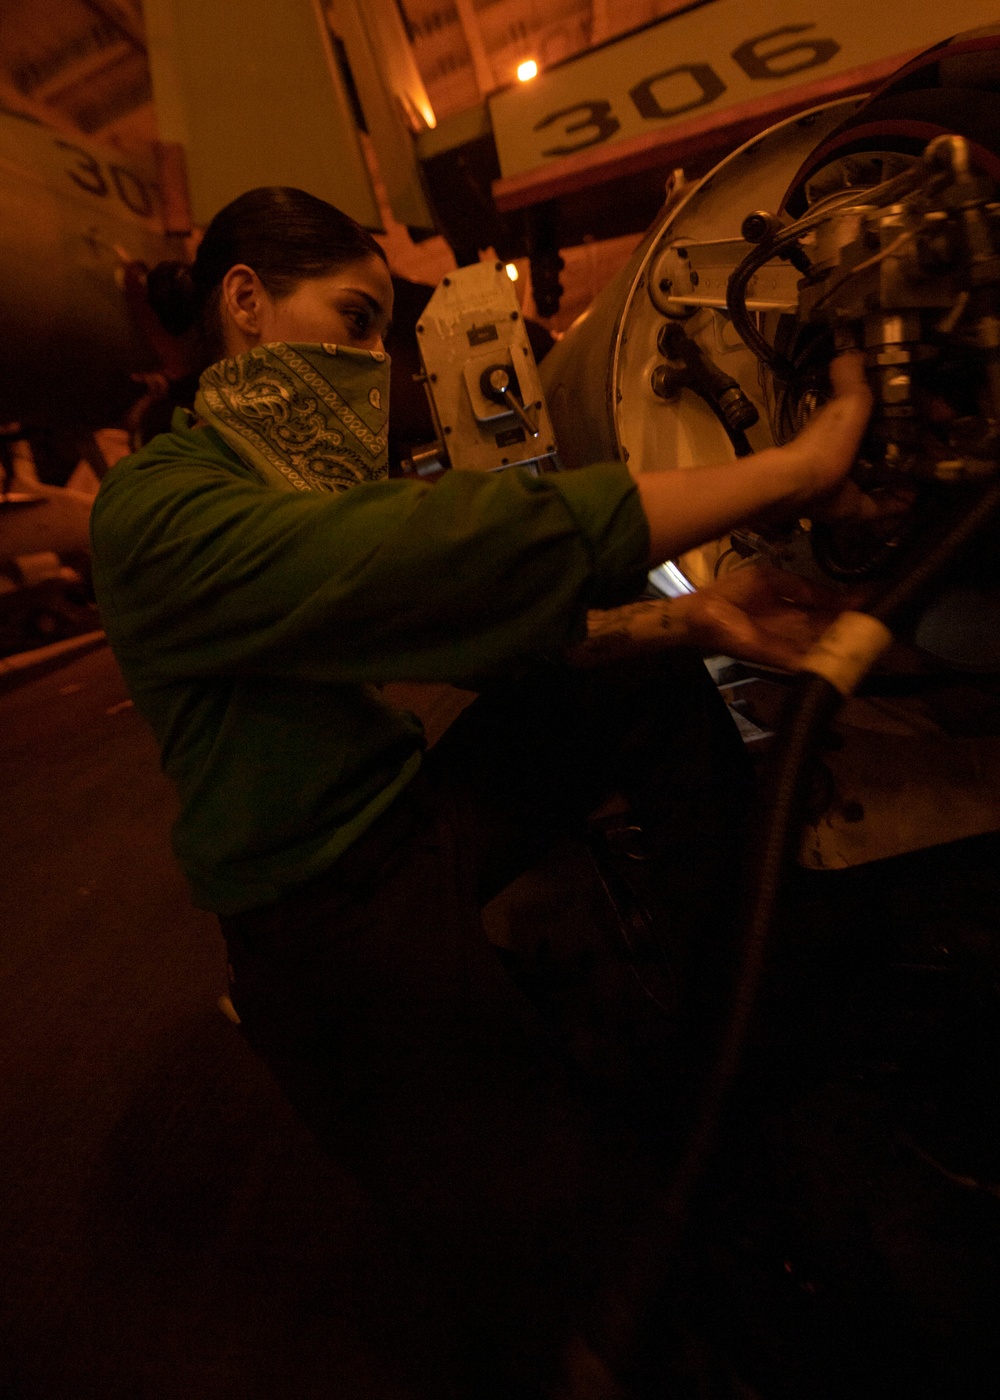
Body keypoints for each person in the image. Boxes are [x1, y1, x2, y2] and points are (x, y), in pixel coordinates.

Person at [89, 187, 873, 1400]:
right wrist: (792, 468)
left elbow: (469, 629)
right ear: (244, 302)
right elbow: (437, 552)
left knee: (650, 690)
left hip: (402, 819)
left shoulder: (281, 491)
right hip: (320, 921)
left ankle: (729, 1020)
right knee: (581, 1261)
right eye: (352, 320)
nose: (371, 366)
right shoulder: (158, 511)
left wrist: (686, 617)